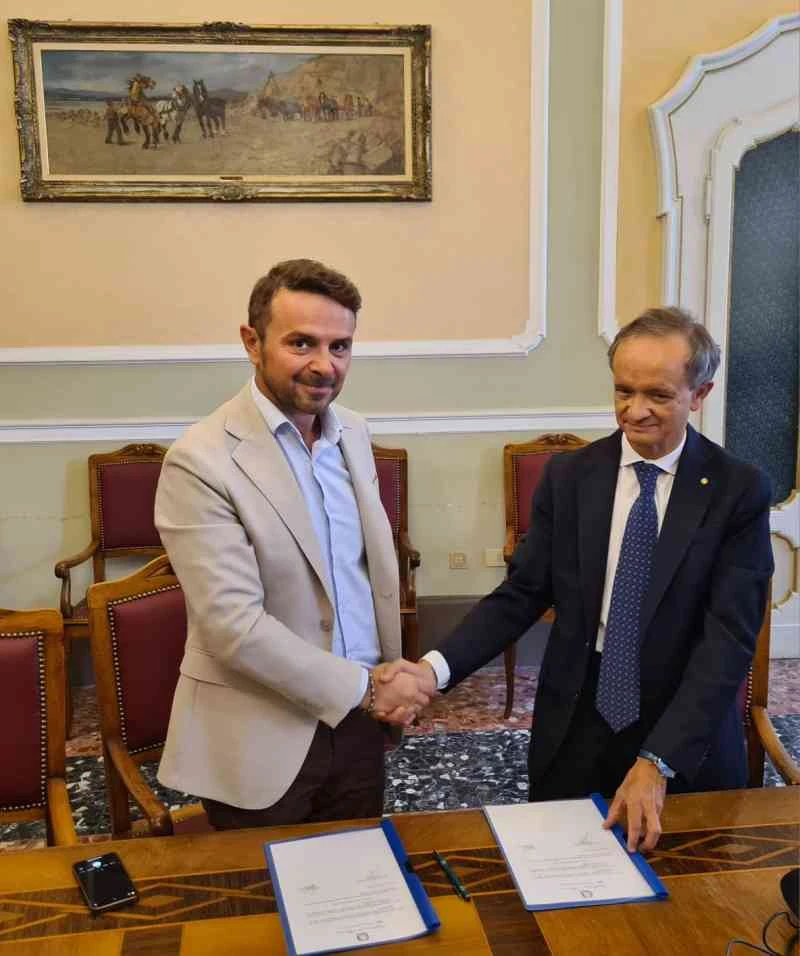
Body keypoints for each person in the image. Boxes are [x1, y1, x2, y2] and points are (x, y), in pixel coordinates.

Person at [384, 307, 773, 851]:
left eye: (658, 395)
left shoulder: (738, 490)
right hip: (577, 718)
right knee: (563, 870)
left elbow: (727, 640)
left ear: (699, 394)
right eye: (623, 391)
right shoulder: (570, 477)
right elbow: (521, 594)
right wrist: (432, 670)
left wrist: (658, 761)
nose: (634, 411)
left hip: (685, 729)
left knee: (687, 883)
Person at [155, 258, 431, 828]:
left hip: (359, 726)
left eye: (340, 346)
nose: (324, 365)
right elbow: (232, 626)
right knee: (266, 882)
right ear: (251, 342)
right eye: (301, 343)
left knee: (357, 869)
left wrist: (385, 682)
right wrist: (365, 688)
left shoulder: (353, 432)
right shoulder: (200, 460)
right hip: (260, 736)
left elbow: (361, 576)